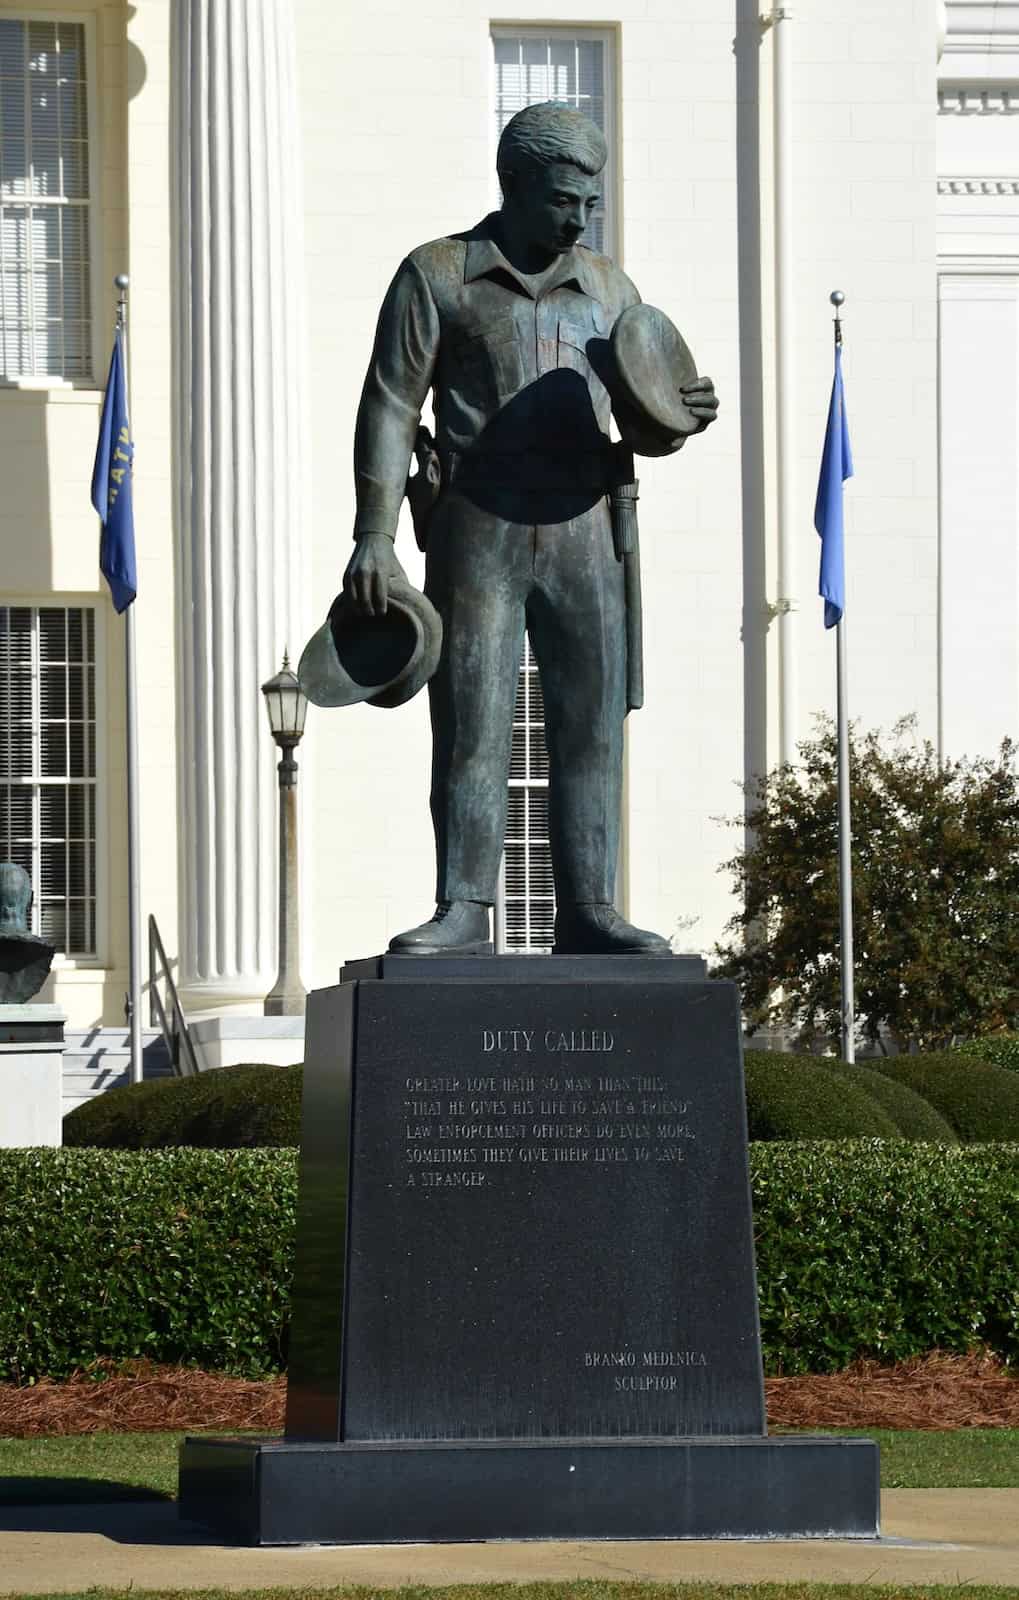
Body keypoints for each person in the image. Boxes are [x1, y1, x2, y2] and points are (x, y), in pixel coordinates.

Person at [343, 102, 718, 954]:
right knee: (473, 723)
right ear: (512, 186)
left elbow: (648, 417)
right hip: (479, 523)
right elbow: (392, 402)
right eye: (561, 201)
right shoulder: (437, 274)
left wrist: (683, 413)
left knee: (588, 726)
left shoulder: (611, 288)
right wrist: (374, 531)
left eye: (589, 204)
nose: (578, 219)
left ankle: (589, 908)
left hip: (588, 525)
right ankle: (465, 908)